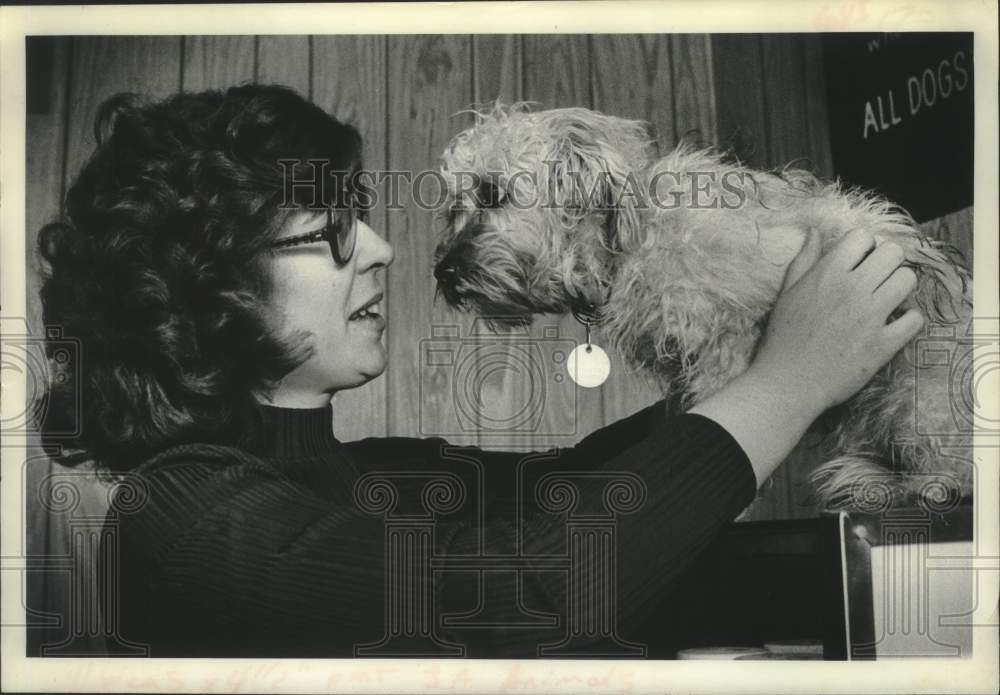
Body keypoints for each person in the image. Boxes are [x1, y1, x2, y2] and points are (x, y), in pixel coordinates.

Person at [36, 84, 922, 658]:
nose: (382, 248)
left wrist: (755, 343)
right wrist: (787, 383)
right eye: (329, 233)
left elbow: (574, 490)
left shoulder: (364, 474)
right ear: (208, 290)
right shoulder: (180, 521)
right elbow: (527, 595)